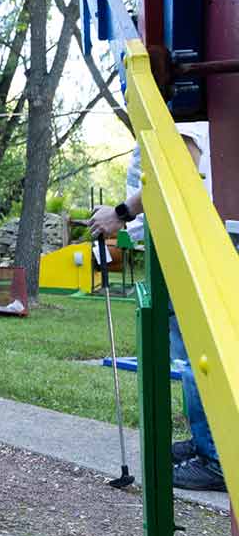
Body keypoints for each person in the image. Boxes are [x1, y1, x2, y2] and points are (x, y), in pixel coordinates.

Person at [89, 121, 225, 492]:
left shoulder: (180, 108)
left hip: (197, 242)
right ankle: (206, 441)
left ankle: (216, 458)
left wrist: (121, 212)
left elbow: (179, 169)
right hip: (187, 238)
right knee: (194, 354)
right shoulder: (175, 111)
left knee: (202, 354)